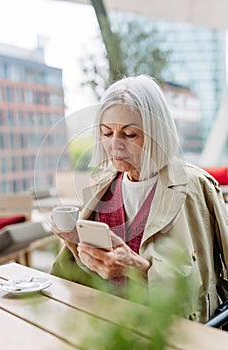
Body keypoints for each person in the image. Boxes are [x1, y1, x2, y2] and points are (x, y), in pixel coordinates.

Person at [51, 75, 228, 323]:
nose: (115, 145)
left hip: (170, 330)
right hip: (109, 327)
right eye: (107, 132)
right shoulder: (102, 186)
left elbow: (194, 286)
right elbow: (84, 277)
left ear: (158, 134)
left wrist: (137, 268)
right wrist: (73, 243)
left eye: (130, 134)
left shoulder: (196, 187)